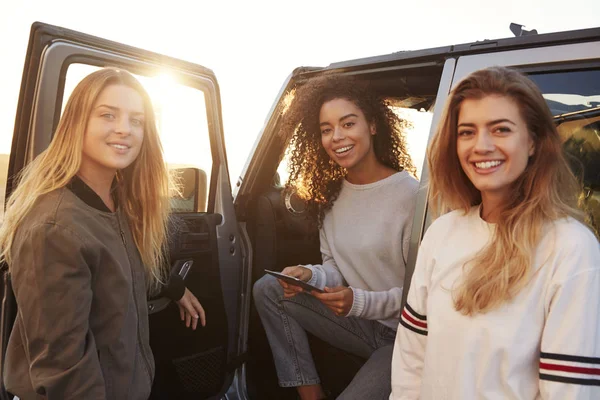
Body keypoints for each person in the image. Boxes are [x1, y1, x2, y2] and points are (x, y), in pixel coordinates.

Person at [390, 66, 600, 399]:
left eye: (500, 129)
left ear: (532, 142)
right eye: (467, 132)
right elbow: (411, 357)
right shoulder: (442, 231)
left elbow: (570, 392)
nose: (481, 145)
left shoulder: (571, 247)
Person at [1, 67, 204, 400]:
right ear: (78, 122)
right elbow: (65, 373)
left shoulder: (116, 204)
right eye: (108, 115)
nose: (124, 129)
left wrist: (174, 287)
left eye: (136, 120)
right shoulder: (55, 228)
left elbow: (119, 270)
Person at [253, 75, 419, 400]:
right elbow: (334, 267)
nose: (337, 137)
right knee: (269, 290)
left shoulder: (412, 197)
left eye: (348, 123)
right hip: (360, 322)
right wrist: (309, 275)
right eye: (326, 129)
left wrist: (358, 301)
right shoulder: (331, 195)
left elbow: (424, 299)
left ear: (372, 125)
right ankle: (311, 394)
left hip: (406, 337)